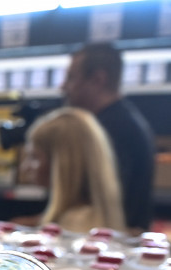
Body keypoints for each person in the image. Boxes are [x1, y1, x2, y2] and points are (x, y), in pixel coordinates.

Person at [62, 43, 155, 233]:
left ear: (98, 79)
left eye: (71, 78)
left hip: (110, 245)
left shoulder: (112, 128)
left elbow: (100, 204)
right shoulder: (123, 120)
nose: (63, 87)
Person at [18, 107, 126, 233]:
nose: (25, 168)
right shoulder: (91, 217)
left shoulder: (77, 224)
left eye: (34, 157)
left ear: (62, 164)